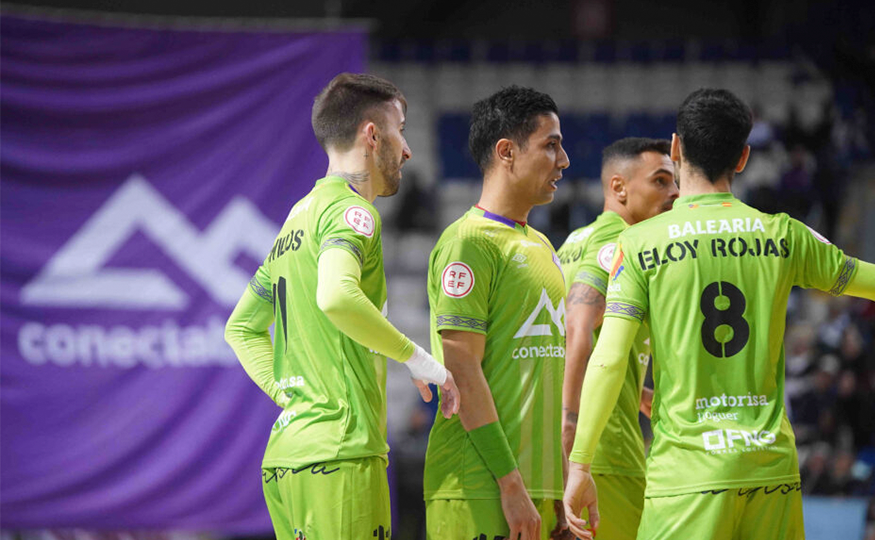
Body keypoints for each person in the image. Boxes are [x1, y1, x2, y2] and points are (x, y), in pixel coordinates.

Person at [563, 88, 875, 540]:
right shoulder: (784, 234)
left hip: (688, 476)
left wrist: (580, 463)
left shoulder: (637, 245)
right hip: (770, 471)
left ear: (676, 149)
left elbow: (610, 359)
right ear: (743, 157)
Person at [224, 73, 460, 540]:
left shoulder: (299, 216)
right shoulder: (352, 212)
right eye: (401, 129)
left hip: (289, 457)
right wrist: (421, 361)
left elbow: (241, 328)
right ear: (372, 135)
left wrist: (288, 395)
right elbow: (336, 296)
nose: (408, 149)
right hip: (341, 457)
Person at [424, 85, 569, 540]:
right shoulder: (468, 241)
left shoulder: (542, 245)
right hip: (481, 487)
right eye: (551, 145)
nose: (563, 161)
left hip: (534, 491)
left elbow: (547, 376)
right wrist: (510, 484)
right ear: (507, 151)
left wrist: (558, 491)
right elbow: (461, 366)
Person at [556, 137, 678, 540]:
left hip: (569, 454)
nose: (674, 193)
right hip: (605, 454)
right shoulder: (621, 241)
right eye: (660, 181)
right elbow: (579, 328)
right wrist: (572, 433)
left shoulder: (573, 242)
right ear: (619, 187)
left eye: (675, 183)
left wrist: (637, 390)